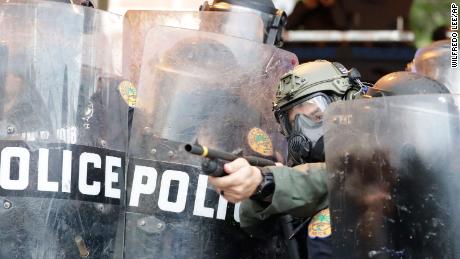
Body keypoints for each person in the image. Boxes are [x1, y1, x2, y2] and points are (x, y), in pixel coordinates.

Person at [209, 59, 368, 258]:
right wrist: (260, 192)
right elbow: (255, 224)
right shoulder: (297, 179)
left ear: (350, 103)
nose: (304, 134)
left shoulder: (381, 155)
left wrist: (267, 181)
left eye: (317, 117)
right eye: (295, 124)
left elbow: (341, 179)